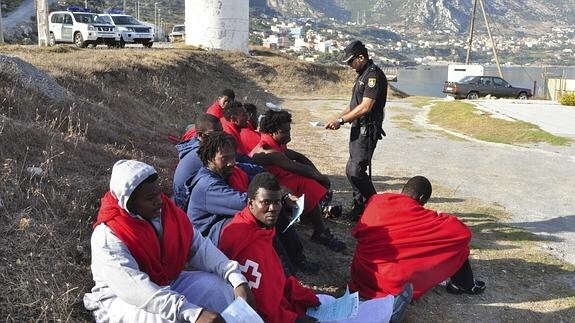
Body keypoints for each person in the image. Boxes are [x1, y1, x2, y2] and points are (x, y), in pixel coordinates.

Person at [219, 172, 407, 323]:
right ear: (251, 203)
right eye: (265, 202)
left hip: (283, 304)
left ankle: (385, 307)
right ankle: (386, 314)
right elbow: (260, 304)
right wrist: (294, 319)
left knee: (325, 302)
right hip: (273, 316)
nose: (273, 208)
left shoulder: (260, 229)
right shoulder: (244, 239)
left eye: (276, 202)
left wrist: (304, 295)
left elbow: (276, 277)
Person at [83, 159, 255, 323]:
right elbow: (136, 289)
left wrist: (235, 276)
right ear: (128, 202)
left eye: (159, 194)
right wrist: (191, 312)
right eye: (150, 198)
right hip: (123, 299)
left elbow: (198, 246)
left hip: (165, 281)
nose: (159, 201)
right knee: (164, 320)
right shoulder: (109, 236)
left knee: (220, 289)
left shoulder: (166, 213)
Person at [187, 132, 317, 274]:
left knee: (272, 210)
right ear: (210, 158)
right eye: (225, 158)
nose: (232, 162)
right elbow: (245, 203)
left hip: (225, 224)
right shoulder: (207, 186)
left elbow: (257, 177)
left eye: (233, 157)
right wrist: (279, 197)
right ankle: (283, 270)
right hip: (209, 237)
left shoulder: (229, 171)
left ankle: (296, 259)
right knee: (264, 214)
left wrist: (284, 195)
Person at [350, 175, 486, 300]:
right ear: (421, 199)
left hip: (362, 276)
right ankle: (463, 284)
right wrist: (440, 216)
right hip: (392, 286)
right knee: (459, 249)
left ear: (403, 190)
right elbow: (463, 233)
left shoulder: (377, 201)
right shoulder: (426, 218)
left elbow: (357, 233)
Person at [251, 109, 346, 252]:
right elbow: (297, 168)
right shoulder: (268, 150)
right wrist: (321, 178)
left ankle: (313, 216)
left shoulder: (275, 142)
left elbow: (298, 157)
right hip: (269, 185)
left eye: (289, 130)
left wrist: (317, 174)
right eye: (285, 131)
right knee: (306, 184)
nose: (289, 134)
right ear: (273, 132)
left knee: (306, 181)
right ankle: (320, 230)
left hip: (278, 179)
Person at [325, 40, 388, 220]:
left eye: (351, 61)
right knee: (351, 170)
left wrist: (341, 120)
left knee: (356, 171)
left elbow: (366, 107)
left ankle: (378, 207)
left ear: (361, 57)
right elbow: (354, 106)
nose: (350, 65)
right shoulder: (362, 75)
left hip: (366, 130)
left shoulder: (373, 76)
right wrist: (338, 118)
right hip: (357, 127)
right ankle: (360, 207)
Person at [173, 113, 222, 210]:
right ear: (200, 135)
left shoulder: (199, 145)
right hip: (186, 207)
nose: (220, 137)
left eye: (222, 132)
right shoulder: (202, 154)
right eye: (215, 134)